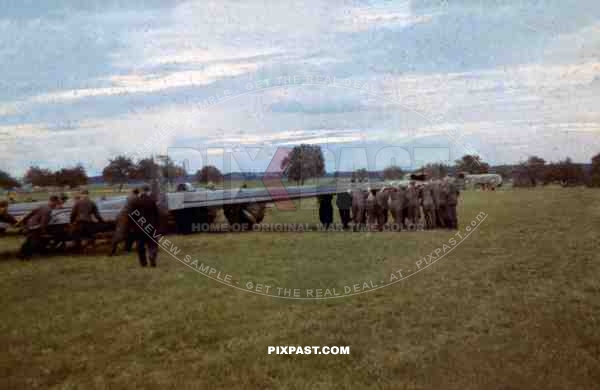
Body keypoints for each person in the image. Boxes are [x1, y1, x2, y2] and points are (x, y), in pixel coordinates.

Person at [130, 186, 159, 267]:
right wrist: (156, 225)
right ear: (148, 191)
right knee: (153, 244)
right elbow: (156, 214)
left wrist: (133, 226)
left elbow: (133, 215)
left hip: (139, 227)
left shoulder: (135, 201)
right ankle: (152, 255)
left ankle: (143, 263)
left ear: (141, 191)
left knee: (140, 246)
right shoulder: (152, 201)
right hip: (151, 227)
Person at [109, 188, 139, 256]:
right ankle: (111, 251)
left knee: (130, 234)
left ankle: (127, 249)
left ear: (133, 192)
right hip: (125, 218)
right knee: (120, 235)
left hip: (124, 217)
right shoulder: (134, 198)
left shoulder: (130, 197)